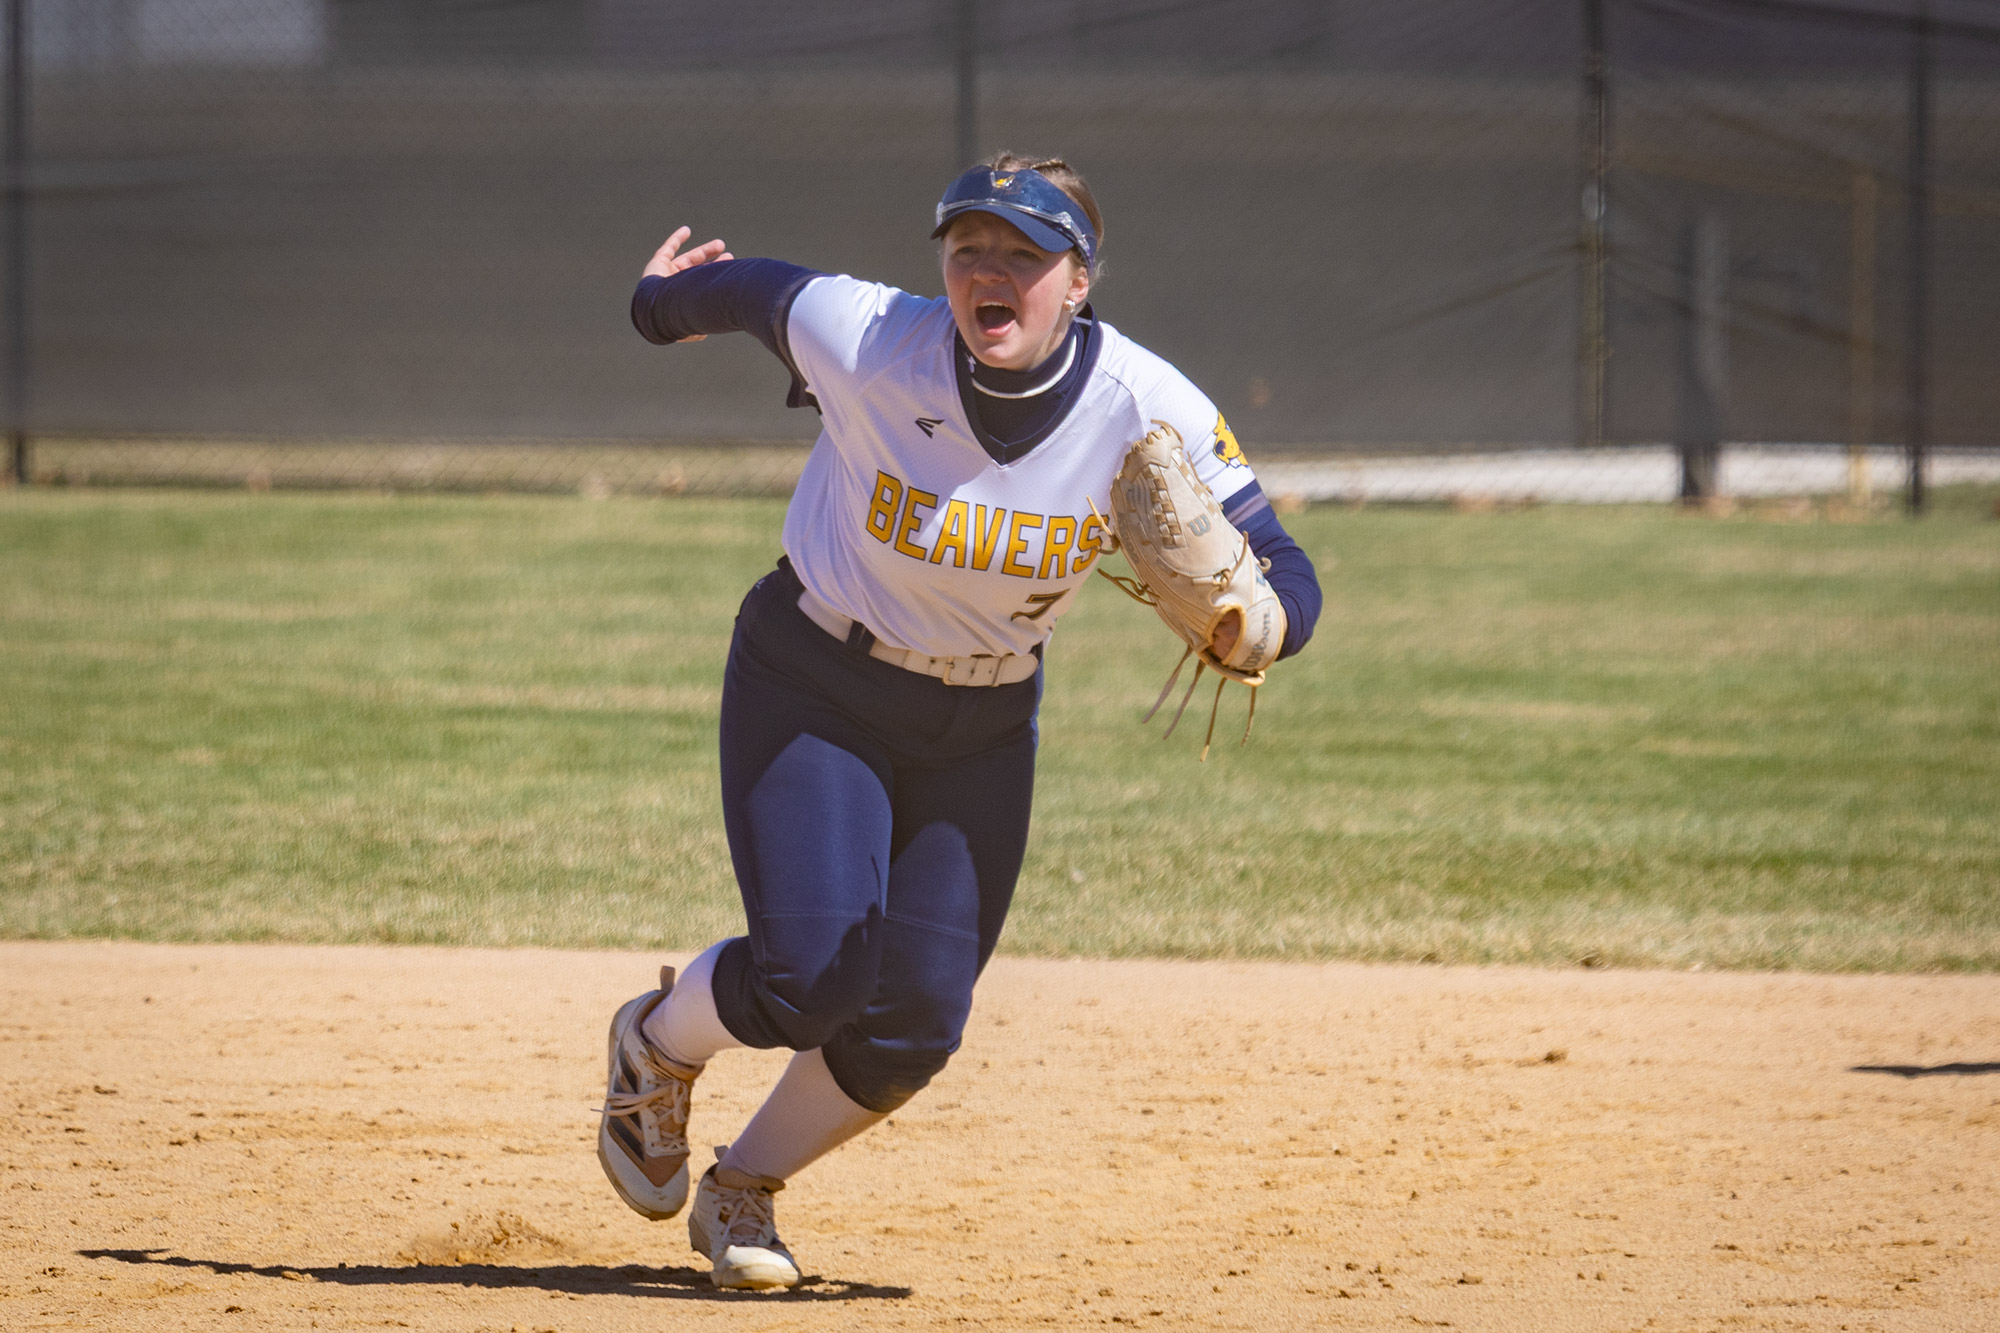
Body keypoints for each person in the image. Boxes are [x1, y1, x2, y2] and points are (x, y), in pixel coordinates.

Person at [598, 155, 1322, 1290]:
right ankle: (655, 1044)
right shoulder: (867, 335)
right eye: (966, 247)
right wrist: (655, 307)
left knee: (913, 1021)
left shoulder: (1149, 407)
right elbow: (739, 293)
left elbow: (1278, 563)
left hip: (981, 723)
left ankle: (743, 1190)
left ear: (1078, 280)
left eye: (1022, 254)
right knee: (808, 981)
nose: (988, 271)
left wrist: (1262, 625)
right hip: (816, 680)